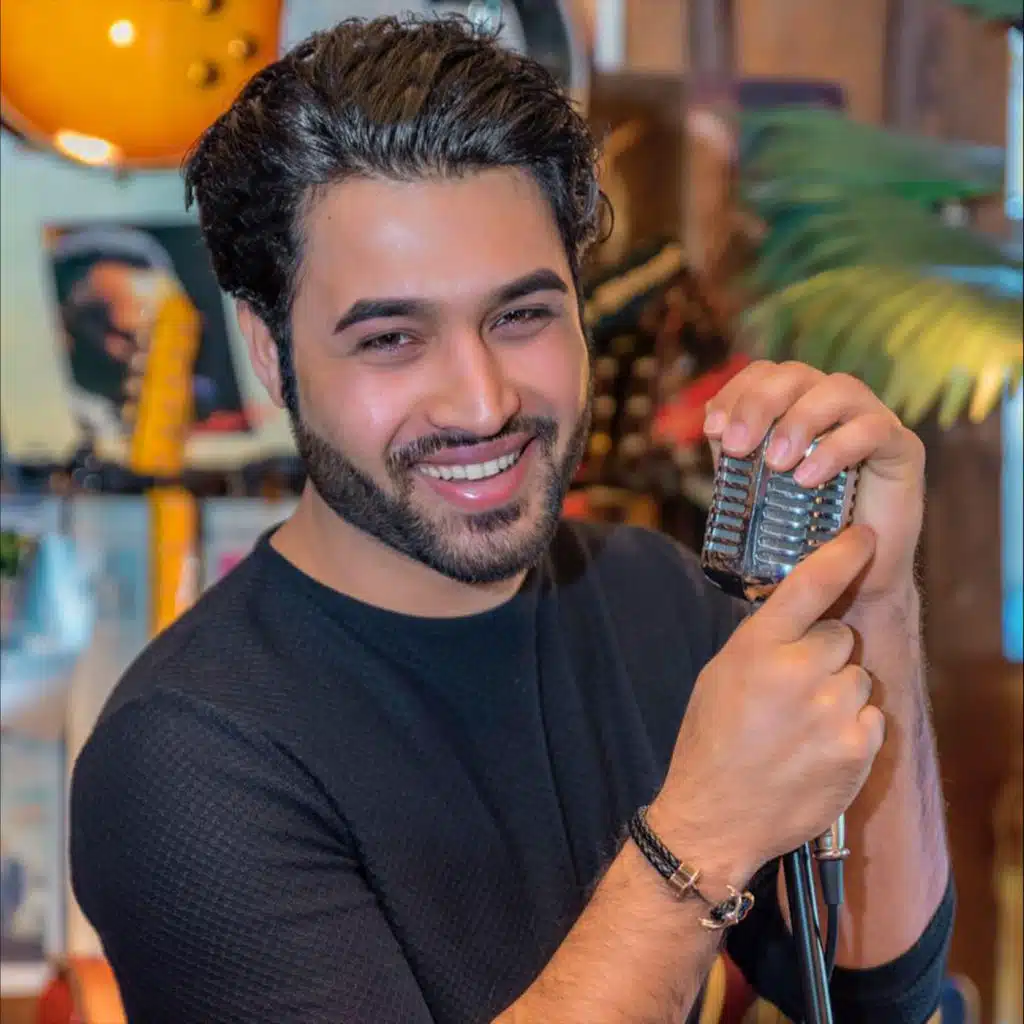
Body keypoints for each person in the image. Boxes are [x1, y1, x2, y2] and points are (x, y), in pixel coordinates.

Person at [69, 15, 953, 1024]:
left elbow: (875, 989)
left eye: (522, 315)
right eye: (391, 338)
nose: (482, 401)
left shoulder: (653, 596)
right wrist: (701, 832)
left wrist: (876, 590)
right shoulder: (183, 759)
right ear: (270, 353)